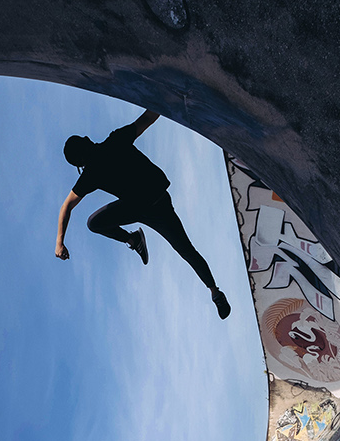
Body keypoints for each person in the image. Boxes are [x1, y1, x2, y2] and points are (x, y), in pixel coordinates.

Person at [54, 109, 231, 319]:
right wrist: (164, 97)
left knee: (94, 223)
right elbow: (147, 118)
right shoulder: (115, 140)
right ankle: (214, 291)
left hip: (145, 208)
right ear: (87, 140)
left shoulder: (90, 174)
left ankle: (132, 238)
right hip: (156, 204)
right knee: (186, 250)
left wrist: (59, 241)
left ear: (79, 164)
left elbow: (66, 206)